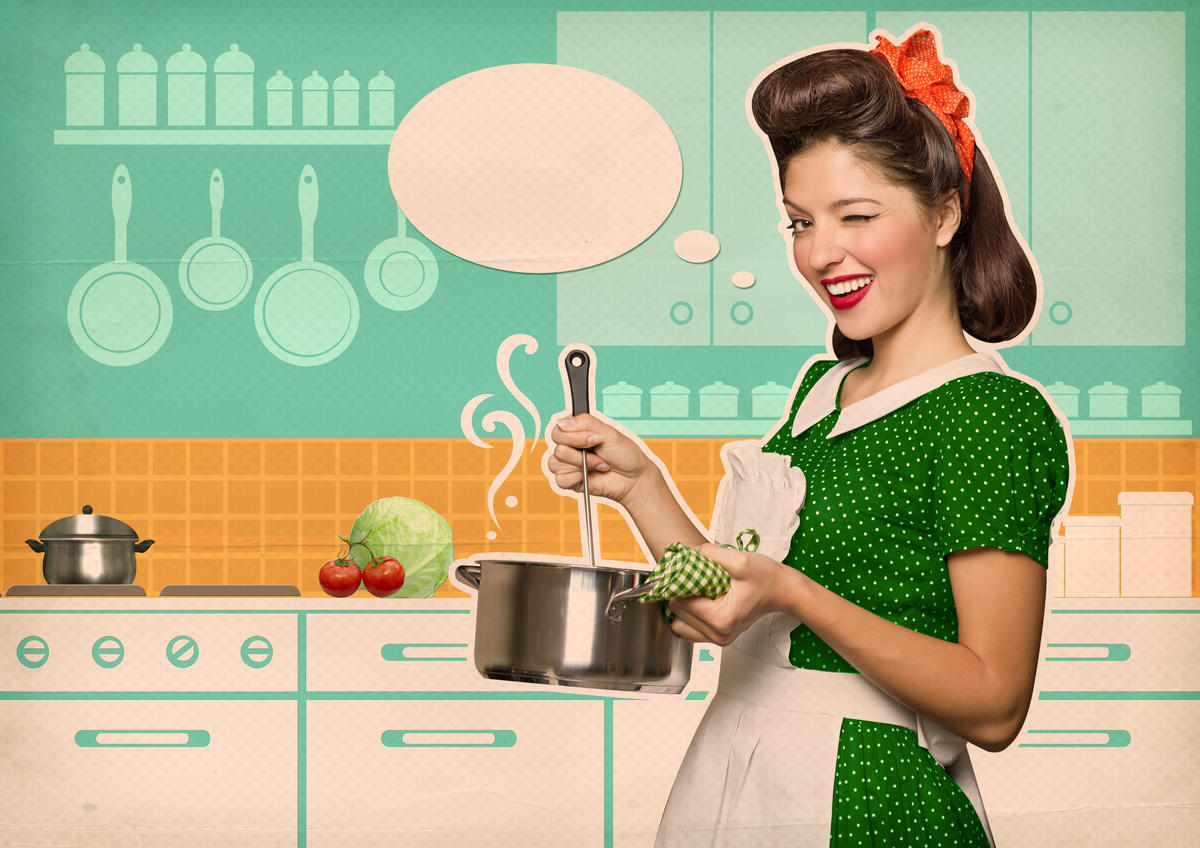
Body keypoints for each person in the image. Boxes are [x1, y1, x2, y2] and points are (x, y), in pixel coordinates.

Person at [547, 25, 1072, 848]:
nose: (822, 253)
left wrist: (794, 592)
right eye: (799, 223)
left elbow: (995, 703)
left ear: (945, 213)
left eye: (855, 216)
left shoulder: (986, 414)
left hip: (869, 802)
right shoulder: (821, 394)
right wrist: (640, 486)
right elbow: (736, 599)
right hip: (735, 777)